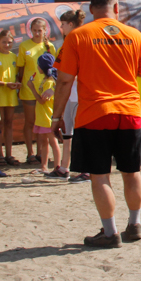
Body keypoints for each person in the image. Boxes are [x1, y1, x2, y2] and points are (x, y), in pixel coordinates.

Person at [51, 0, 141, 248]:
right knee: (131, 172)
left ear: (90, 9)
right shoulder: (135, 35)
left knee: (99, 176)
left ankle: (110, 233)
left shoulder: (77, 36)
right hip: (129, 113)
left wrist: (56, 116)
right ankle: (135, 224)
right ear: (116, 7)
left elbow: (64, 81)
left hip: (94, 114)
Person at [16, 18, 56, 164]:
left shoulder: (50, 46)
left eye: (40, 30)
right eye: (34, 30)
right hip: (29, 89)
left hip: (45, 89)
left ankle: (41, 153)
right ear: (30, 31)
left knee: (43, 122)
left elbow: (54, 69)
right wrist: (21, 83)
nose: (37, 33)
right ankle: (30, 153)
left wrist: (52, 88)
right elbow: (20, 68)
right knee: (30, 121)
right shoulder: (24, 46)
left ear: (45, 31)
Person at [56, 10, 89, 183]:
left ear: (70, 24)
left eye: (63, 24)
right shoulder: (68, 41)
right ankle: (64, 168)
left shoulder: (79, 39)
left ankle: (86, 170)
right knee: (67, 132)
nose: (61, 27)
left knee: (81, 133)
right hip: (70, 93)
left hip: (79, 94)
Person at [0, 29, 20, 167]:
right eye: (4, 42)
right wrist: (5, 84)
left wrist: (16, 83)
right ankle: (0, 155)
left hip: (10, 95)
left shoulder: (14, 57)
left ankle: (9, 154)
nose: (7, 45)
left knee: (9, 123)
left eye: (9, 42)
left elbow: (17, 75)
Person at [32, 53, 62, 178]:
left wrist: (31, 88)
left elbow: (42, 100)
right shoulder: (45, 79)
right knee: (44, 142)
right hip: (42, 117)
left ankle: (57, 167)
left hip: (47, 117)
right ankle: (44, 166)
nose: (37, 67)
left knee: (53, 142)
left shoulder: (49, 82)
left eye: (38, 65)